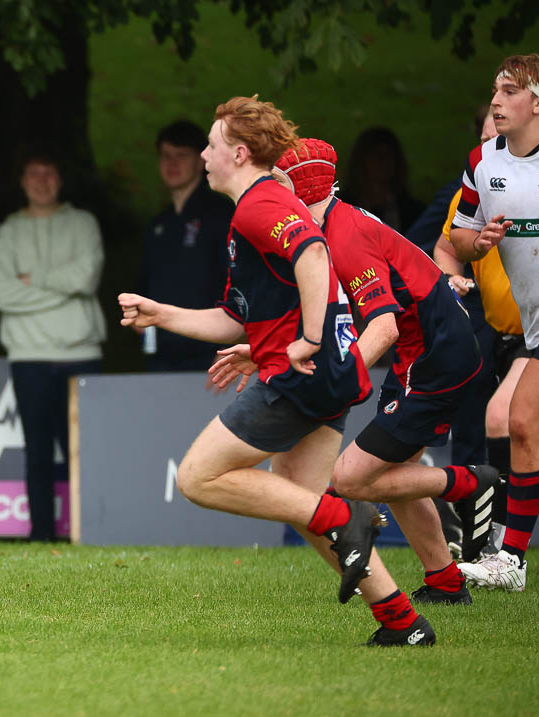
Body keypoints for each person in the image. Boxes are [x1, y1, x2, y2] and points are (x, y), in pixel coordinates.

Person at [120, 96, 435, 647]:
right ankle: (402, 623)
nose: (203, 154)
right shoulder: (258, 206)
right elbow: (233, 318)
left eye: (212, 145)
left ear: (239, 153)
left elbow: (313, 254)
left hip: (300, 376)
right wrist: (160, 314)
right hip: (327, 377)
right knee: (302, 501)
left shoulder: (257, 206)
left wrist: (310, 339)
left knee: (197, 477)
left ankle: (346, 517)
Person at [213, 137, 501, 607]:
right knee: (393, 469)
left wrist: (337, 377)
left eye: (277, 185)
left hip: (434, 357)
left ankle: (471, 483)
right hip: (426, 352)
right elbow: (335, 320)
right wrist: (274, 350)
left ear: (299, 189)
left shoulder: (342, 236)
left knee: (350, 479)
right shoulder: (332, 225)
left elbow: (382, 328)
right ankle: (446, 584)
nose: (268, 197)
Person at [450, 53, 539, 591]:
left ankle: (509, 558)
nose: (495, 101)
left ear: (538, 103)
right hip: (536, 324)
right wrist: (479, 240)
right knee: (526, 425)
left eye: (509, 91)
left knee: (525, 420)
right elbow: (457, 237)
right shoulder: (483, 163)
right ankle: (513, 560)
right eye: (495, 90)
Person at [0, 152, 106, 541]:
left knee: (86, 452)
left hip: (81, 354)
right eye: (33, 173)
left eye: (49, 172)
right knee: (37, 450)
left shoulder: (83, 222)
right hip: (28, 355)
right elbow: (3, 294)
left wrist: (31, 280)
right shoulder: (8, 231)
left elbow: (86, 278)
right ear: (22, 180)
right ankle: (41, 534)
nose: (41, 180)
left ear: (60, 178)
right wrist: (61, 286)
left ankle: (92, 531)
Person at [433, 107, 524, 558]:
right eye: (489, 120)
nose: (493, 128)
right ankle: (480, 539)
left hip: (533, 328)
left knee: (504, 418)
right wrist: (451, 276)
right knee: (482, 423)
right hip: (493, 326)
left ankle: (503, 548)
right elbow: (447, 246)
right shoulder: (475, 187)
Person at [137, 120, 234, 371]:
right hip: (160, 353)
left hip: (211, 354)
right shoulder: (158, 225)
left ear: (202, 160)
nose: (172, 163)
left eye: (181, 156)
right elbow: (145, 286)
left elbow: (239, 284)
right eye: (166, 156)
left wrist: (233, 346)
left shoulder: (221, 214)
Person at [339, 127, 425, 233]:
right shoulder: (340, 209)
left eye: (387, 155)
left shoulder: (412, 212)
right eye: (376, 155)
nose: (382, 162)